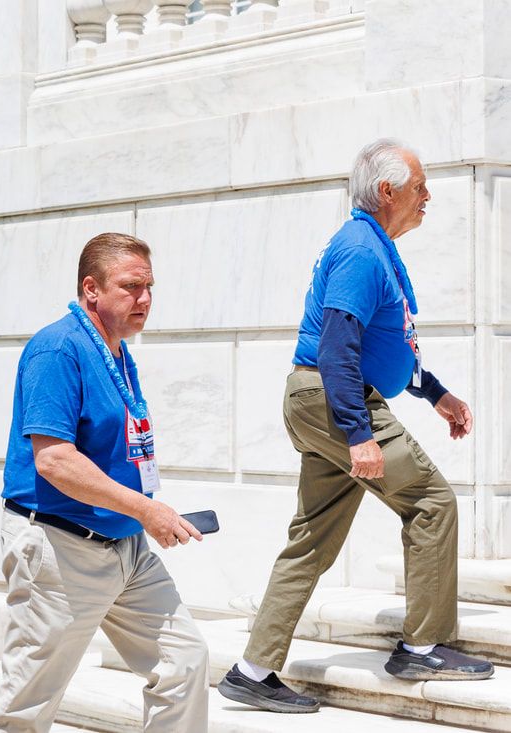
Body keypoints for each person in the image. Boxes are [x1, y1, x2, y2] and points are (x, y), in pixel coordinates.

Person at [219, 139, 492, 715]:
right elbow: (338, 346)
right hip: (335, 400)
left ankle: (252, 670)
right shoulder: (362, 252)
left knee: (312, 540)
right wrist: (359, 432)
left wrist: (435, 393)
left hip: (321, 398)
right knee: (432, 503)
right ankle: (422, 647)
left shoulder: (370, 246)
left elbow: (382, 345)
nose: (428, 196)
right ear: (387, 191)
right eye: (419, 187)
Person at [0, 233, 209, 733]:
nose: (144, 298)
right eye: (131, 287)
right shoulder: (57, 349)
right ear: (91, 289)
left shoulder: (116, 350)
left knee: (185, 661)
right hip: (61, 546)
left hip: (126, 545)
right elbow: (55, 461)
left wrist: (141, 512)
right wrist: (147, 510)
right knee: (24, 707)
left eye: (149, 287)